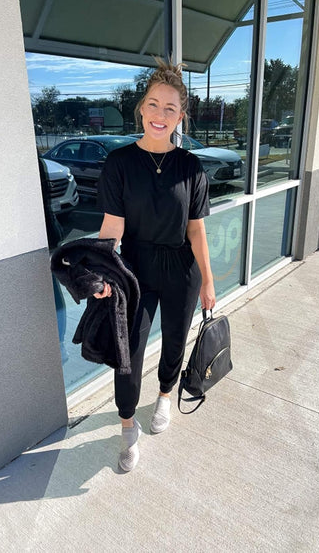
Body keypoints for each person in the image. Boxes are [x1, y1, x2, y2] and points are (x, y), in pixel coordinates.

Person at [95, 58, 215, 471]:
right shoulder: (120, 163)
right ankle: (128, 426)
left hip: (182, 268)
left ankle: (165, 394)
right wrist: (103, 271)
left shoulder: (191, 166)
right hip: (136, 268)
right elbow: (112, 227)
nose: (160, 114)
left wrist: (208, 282)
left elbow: (196, 230)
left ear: (181, 117)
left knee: (176, 341)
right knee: (128, 350)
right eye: (153, 104)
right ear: (141, 109)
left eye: (170, 108)